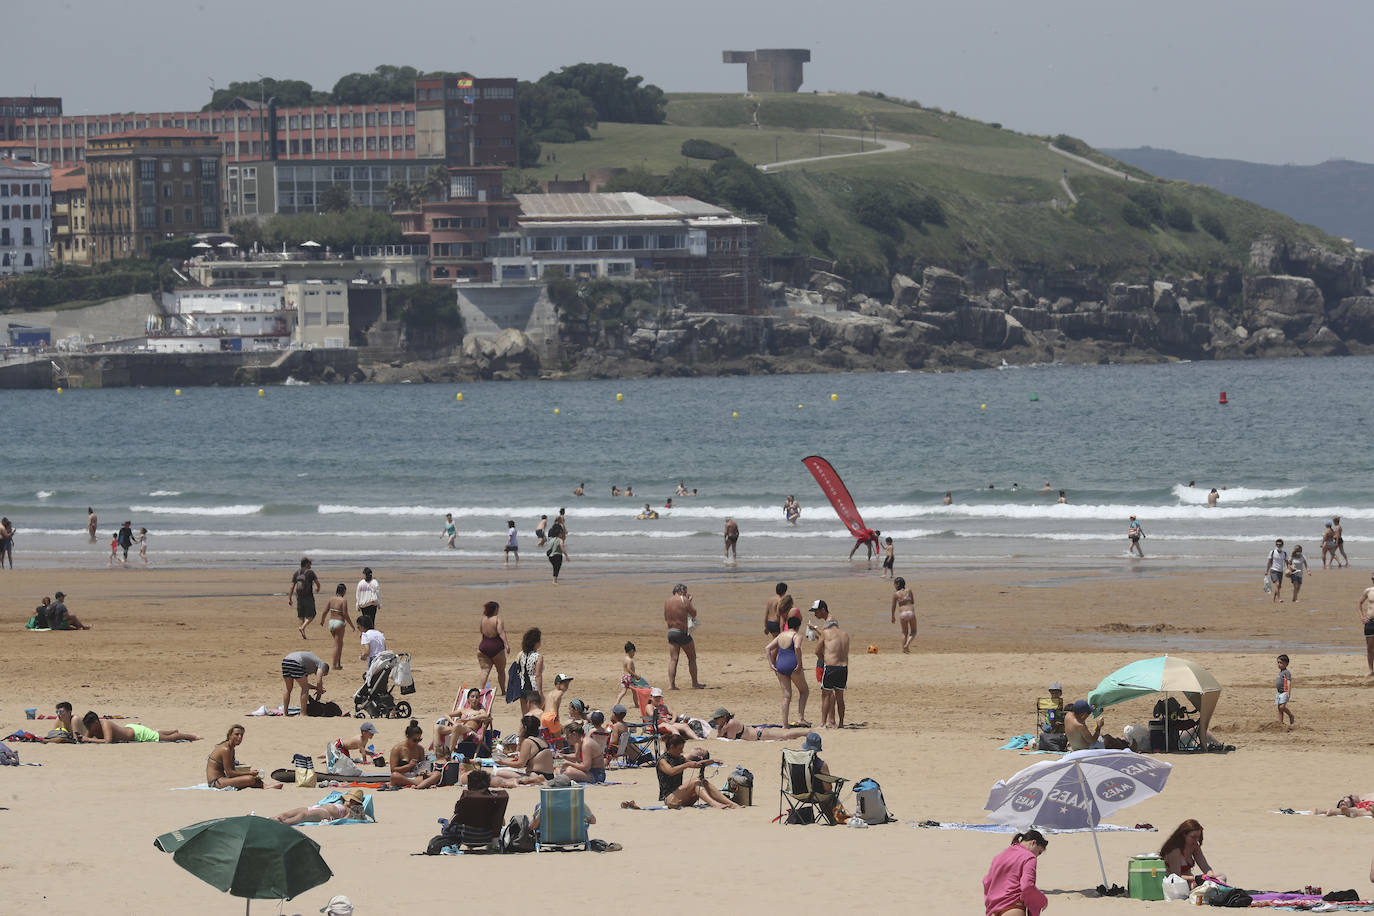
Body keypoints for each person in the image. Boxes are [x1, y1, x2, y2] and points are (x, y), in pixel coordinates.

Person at [656, 734, 740, 809]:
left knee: (703, 782)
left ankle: (731, 804)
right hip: (670, 799)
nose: (681, 751)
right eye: (680, 749)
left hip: (682, 798)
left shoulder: (679, 758)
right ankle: (714, 804)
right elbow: (671, 771)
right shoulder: (662, 760)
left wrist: (712, 761)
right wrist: (687, 765)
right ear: (671, 747)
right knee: (696, 781)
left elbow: (696, 764)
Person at [982, 829, 1050, 916]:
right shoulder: (1029, 857)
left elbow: (986, 881)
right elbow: (1027, 885)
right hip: (1014, 907)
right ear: (1033, 843)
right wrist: (1042, 900)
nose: (1037, 856)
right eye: (1039, 852)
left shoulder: (1001, 855)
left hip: (995, 909)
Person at [812, 600, 850, 728]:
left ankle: (823, 723)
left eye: (816, 611)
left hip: (831, 666)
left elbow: (817, 651)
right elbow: (843, 652)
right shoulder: (845, 635)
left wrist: (825, 659)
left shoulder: (825, 633)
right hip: (843, 668)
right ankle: (841, 723)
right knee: (840, 697)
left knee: (826, 694)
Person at [766, 618, 810, 727]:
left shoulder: (781, 635)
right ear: (798, 626)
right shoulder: (797, 636)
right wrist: (799, 664)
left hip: (780, 665)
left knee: (786, 695)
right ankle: (801, 718)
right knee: (804, 691)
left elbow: (767, 648)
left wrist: (771, 664)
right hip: (792, 665)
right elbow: (797, 647)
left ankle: (785, 723)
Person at [1160, 819, 1225, 887]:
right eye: (1193, 837)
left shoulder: (1194, 846)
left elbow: (1204, 865)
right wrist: (1196, 878)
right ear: (1184, 835)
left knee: (1221, 876)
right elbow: (1176, 876)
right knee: (1204, 885)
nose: (1196, 840)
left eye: (1198, 837)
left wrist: (1210, 875)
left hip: (1191, 880)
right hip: (1177, 883)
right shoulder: (1175, 850)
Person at [664, 583, 703, 690]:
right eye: (685, 592)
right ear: (681, 591)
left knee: (673, 659)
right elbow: (693, 613)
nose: (686, 594)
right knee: (692, 657)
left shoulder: (667, 601)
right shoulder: (683, 600)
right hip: (681, 632)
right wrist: (689, 600)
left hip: (671, 632)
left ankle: (671, 685)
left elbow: (667, 617)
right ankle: (695, 684)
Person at [82, 711, 199, 743]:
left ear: (96, 722)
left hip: (137, 734)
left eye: (90, 727)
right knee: (155, 734)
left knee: (168, 738)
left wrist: (88, 739)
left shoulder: (105, 724)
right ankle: (170, 731)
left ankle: (192, 736)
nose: (89, 730)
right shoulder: (93, 728)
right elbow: (85, 739)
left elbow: (108, 741)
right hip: (130, 729)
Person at [531, 774, 597, 829]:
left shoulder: (546, 805)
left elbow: (533, 826)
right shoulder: (578, 804)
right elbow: (593, 821)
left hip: (551, 837)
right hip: (573, 837)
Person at [389, 720, 442, 788]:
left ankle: (418, 784)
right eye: (414, 740)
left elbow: (423, 766)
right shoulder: (397, 749)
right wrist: (409, 766)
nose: (417, 742)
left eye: (419, 740)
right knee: (394, 776)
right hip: (403, 777)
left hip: (417, 777)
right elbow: (393, 770)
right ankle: (419, 785)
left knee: (437, 774)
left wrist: (424, 772)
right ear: (407, 736)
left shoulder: (420, 749)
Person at [275, 788, 369, 825]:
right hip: (316, 807)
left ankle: (284, 823)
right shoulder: (340, 802)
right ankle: (273, 819)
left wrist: (334, 821)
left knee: (302, 815)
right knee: (291, 812)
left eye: (351, 801)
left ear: (355, 803)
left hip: (325, 814)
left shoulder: (350, 810)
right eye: (348, 799)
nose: (348, 802)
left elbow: (345, 820)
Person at [708, 708, 809, 742]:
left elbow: (730, 739)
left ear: (724, 717)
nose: (715, 720)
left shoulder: (731, 724)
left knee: (785, 736)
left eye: (717, 718)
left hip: (759, 734)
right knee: (784, 736)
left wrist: (722, 730)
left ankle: (806, 733)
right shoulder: (725, 725)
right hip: (757, 732)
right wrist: (721, 730)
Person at [1064, 699, 1129, 750]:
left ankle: (1124, 744)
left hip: (1075, 746)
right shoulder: (1080, 726)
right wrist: (1098, 727)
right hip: (1086, 749)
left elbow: (1080, 719)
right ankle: (1128, 748)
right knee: (1108, 739)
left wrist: (1091, 709)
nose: (1089, 714)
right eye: (1088, 713)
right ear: (1082, 714)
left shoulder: (1068, 716)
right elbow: (1092, 741)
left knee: (1104, 737)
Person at [506, 714, 555, 781]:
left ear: (525, 728)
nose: (520, 729)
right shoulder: (542, 740)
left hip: (535, 774)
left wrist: (501, 762)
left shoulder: (528, 742)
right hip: (550, 775)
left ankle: (536, 779)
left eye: (521, 726)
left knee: (500, 772)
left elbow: (520, 764)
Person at [281, 650, 330, 715]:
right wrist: (319, 692)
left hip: (286, 661)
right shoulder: (322, 665)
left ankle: (285, 713)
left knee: (288, 689)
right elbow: (319, 681)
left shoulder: (309, 665)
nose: (322, 675)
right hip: (297, 662)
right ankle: (303, 713)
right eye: (324, 674)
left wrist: (315, 688)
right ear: (325, 670)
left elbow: (304, 683)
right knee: (305, 688)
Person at [320, 583, 355, 672]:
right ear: (343, 591)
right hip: (339, 622)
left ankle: (338, 663)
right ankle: (334, 665)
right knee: (337, 645)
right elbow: (345, 614)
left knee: (339, 644)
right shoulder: (343, 601)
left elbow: (325, 611)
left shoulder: (331, 599)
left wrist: (322, 620)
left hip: (331, 622)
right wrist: (352, 625)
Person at [477, 600, 509, 693]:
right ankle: (503, 691)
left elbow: (481, 631)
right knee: (501, 671)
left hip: (483, 646)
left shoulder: (483, 619)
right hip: (496, 647)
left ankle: (481, 691)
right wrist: (506, 645)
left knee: (485, 670)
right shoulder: (497, 619)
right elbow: (501, 632)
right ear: (495, 609)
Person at [288, 557, 320, 638]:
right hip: (308, 596)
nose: (311, 565)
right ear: (306, 564)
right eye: (310, 563)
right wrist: (318, 588)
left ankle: (303, 632)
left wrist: (290, 598)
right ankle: (302, 627)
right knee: (312, 614)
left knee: (301, 615)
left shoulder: (296, 573)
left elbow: (292, 587)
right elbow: (317, 583)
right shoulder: (310, 572)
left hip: (299, 596)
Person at [515, 628, 544, 714]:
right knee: (536, 714)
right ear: (536, 643)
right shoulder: (538, 656)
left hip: (523, 687)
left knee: (525, 715)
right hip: (533, 688)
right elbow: (538, 675)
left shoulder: (521, 654)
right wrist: (540, 692)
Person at [614, 641, 647, 706]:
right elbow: (629, 669)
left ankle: (616, 703)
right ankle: (636, 704)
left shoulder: (625, 659)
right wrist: (636, 675)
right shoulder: (630, 660)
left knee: (623, 691)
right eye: (634, 652)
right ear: (632, 651)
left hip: (624, 677)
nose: (634, 654)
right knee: (634, 692)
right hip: (630, 678)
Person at [891, 576, 917, 653]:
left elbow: (893, 606)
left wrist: (893, 616)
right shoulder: (909, 590)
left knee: (904, 632)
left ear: (898, 584)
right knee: (913, 631)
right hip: (910, 612)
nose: (894, 585)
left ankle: (904, 649)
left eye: (894, 584)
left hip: (902, 613)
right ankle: (907, 645)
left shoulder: (895, 594)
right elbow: (912, 601)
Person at [1266, 539, 1288, 603]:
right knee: (1277, 584)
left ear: (1282, 545)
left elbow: (1287, 562)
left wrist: (1289, 568)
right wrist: (1267, 571)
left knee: (1278, 587)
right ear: (1276, 545)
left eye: (1280, 544)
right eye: (1277, 544)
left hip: (1280, 571)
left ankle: (1273, 598)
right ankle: (1279, 599)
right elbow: (1269, 562)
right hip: (1273, 570)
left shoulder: (1284, 553)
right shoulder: (1272, 552)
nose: (1278, 545)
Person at [1361, 575, 1374, 676]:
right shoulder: (1368, 591)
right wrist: (1362, 617)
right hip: (1370, 622)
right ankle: (1371, 670)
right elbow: (1359, 604)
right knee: (1370, 648)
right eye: (1373, 579)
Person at [1275, 654, 1294, 725]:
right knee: (1279, 709)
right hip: (1279, 692)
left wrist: (1288, 692)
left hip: (1284, 692)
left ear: (1286, 664)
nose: (1279, 664)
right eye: (1278, 662)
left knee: (1282, 707)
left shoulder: (1287, 672)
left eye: (1281, 663)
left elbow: (1289, 682)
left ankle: (1290, 715)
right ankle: (1280, 723)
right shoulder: (1281, 672)